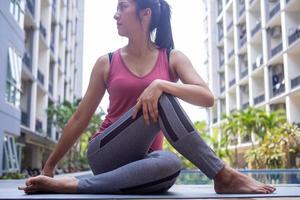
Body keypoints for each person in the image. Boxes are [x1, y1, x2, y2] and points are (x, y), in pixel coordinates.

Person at [19, 0, 275, 194]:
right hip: (106, 154)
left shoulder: (172, 57)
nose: (115, 14)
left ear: (145, 13)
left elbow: (207, 98)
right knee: (162, 97)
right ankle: (223, 175)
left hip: (145, 164)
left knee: (170, 162)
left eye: (122, 7)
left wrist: (161, 83)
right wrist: (49, 166)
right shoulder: (106, 63)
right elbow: (80, 118)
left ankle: (72, 186)